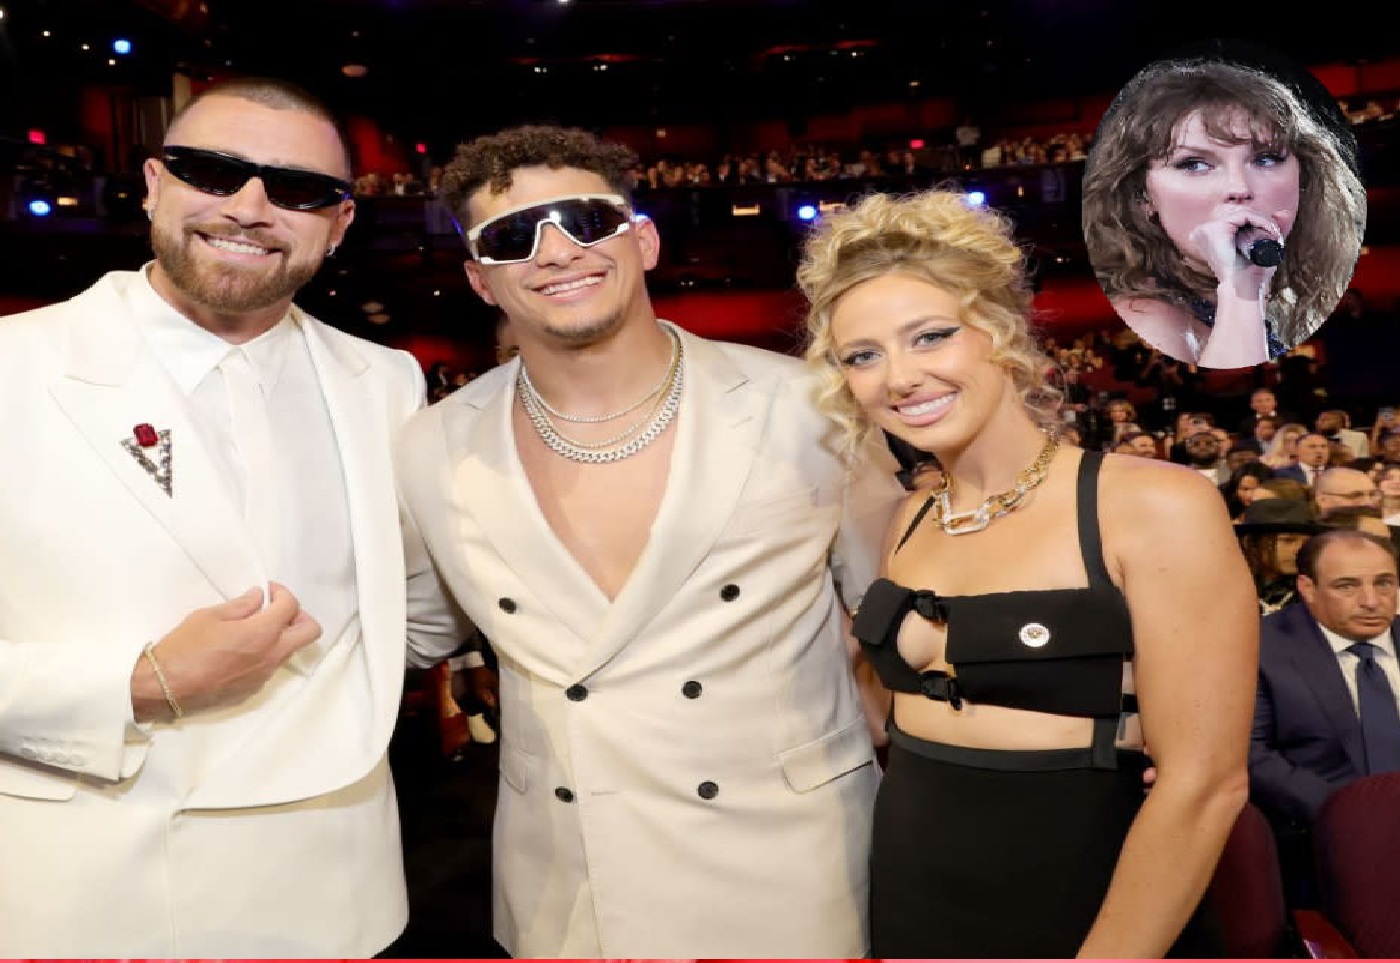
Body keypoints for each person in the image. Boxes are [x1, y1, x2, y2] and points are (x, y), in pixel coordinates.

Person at [395, 125, 905, 957]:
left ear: (644, 240)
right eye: (514, 236)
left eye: (586, 220)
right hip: (571, 880)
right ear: (481, 279)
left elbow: (895, 603)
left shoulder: (808, 407)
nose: (556, 251)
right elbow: (414, 629)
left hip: (792, 860)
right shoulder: (431, 446)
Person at [0, 78, 425, 956]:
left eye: (299, 188)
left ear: (340, 223)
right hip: (85, 895)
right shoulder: (13, 368)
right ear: (153, 183)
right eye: (212, 171)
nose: (250, 207)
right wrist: (137, 683)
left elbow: (420, 604)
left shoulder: (387, 382)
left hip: (335, 891)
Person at [799, 188, 1253, 957]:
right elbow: (887, 718)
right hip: (912, 898)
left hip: (1086, 905)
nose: (898, 377)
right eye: (862, 356)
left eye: (930, 336)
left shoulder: (1152, 505)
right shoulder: (910, 516)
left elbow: (1206, 785)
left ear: (1001, 332)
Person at [1083, 57, 1365, 369]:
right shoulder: (1150, 318)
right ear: (1142, 196)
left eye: (1266, 159)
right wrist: (1240, 287)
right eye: (1194, 164)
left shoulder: (1299, 297)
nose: (1239, 188)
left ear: (1304, 178)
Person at [1249, 529, 1400, 827]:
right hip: (1318, 829)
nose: (1371, 601)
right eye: (1346, 586)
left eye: (1384, 583)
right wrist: (1348, 814)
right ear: (1307, 588)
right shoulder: (1260, 648)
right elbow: (1250, 754)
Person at [1236, 499, 1328, 614]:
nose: (1299, 549)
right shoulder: (1229, 588)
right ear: (1253, 543)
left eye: (1307, 542)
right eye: (1288, 540)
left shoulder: (1315, 592)